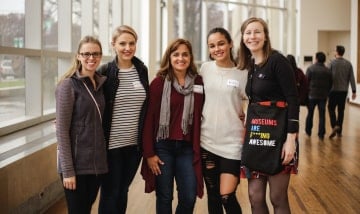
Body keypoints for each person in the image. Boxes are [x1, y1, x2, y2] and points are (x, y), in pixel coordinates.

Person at [238, 17, 299, 213]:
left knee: (277, 197)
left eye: (257, 32)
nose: (252, 36)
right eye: (248, 33)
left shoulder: (277, 61)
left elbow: (293, 99)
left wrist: (291, 140)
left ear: (265, 36)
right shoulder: (251, 66)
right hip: (256, 137)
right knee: (254, 197)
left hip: (279, 137)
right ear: (243, 38)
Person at [141, 38, 204, 214]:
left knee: (189, 196)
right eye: (176, 54)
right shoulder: (158, 83)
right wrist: (149, 153)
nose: (180, 58)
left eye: (185, 54)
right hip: (163, 148)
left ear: (190, 57)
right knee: (164, 196)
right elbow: (148, 121)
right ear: (169, 57)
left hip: (188, 148)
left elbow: (208, 109)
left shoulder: (198, 82)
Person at [97, 25, 149, 214]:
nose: (128, 48)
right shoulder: (104, 71)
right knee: (110, 192)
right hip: (111, 146)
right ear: (113, 45)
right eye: (122, 43)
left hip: (134, 146)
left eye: (131, 43)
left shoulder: (141, 69)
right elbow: (91, 101)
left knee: (123, 190)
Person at [55, 35, 108, 213]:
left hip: (96, 165)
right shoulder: (68, 85)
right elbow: (62, 131)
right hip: (76, 166)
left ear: (100, 56)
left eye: (95, 54)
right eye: (86, 54)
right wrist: (68, 171)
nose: (91, 58)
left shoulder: (100, 84)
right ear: (78, 56)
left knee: (86, 208)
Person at [200, 27, 247, 214]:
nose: (217, 49)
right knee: (213, 196)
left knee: (226, 196)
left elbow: (252, 102)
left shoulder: (242, 73)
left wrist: (247, 119)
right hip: (207, 141)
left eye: (221, 43)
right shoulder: (205, 69)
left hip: (232, 145)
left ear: (230, 44)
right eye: (212, 46)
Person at [328, 45, 357, 139]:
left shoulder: (332, 63)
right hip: (343, 91)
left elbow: (328, 77)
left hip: (333, 91)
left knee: (331, 108)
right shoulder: (348, 64)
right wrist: (354, 91)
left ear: (337, 52)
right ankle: (339, 130)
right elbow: (352, 78)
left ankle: (334, 125)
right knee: (341, 111)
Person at [305, 52, 332, 140]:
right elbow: (331, 83)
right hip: (323, 96)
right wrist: (327, 92)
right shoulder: (328, 70)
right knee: (322, 115)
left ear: (316, 58)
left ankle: (308, 131)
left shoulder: (311, 68)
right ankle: (321, 134)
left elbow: (306, 82)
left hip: (312, 95)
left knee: (310, 114)